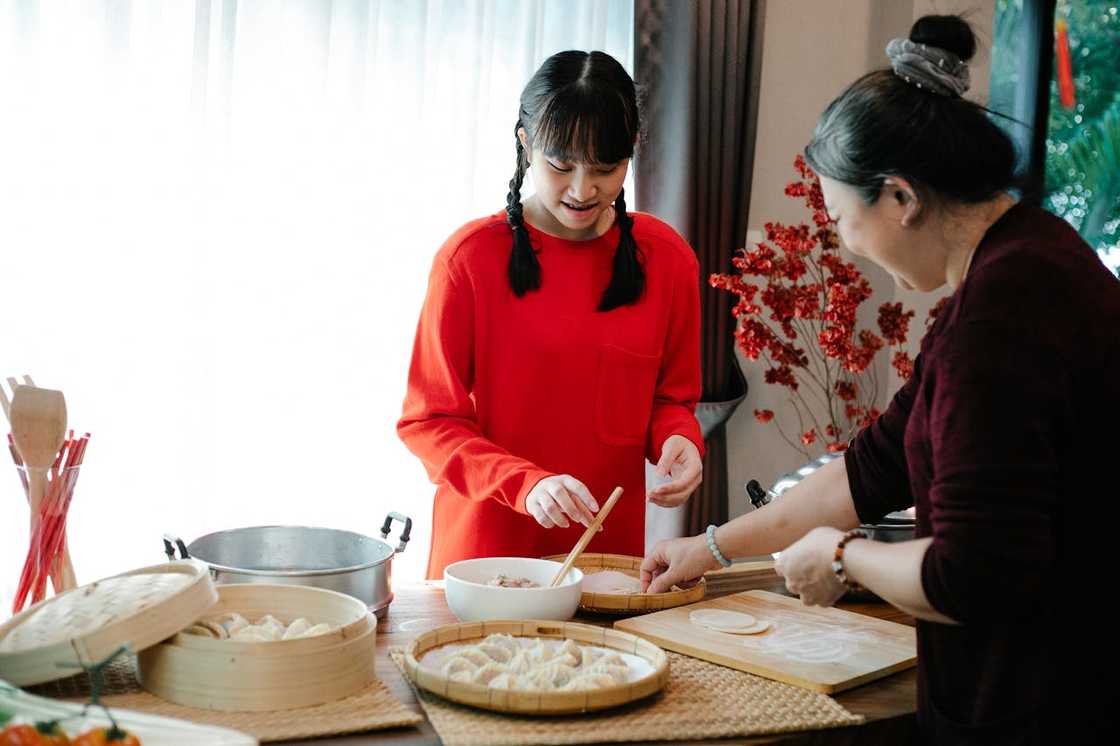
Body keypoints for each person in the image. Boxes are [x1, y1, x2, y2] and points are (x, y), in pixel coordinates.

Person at [640, 15, 1119, 746]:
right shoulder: (1027, 259)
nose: (846, 246)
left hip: (1043, 702)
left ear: (899, 197)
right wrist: (709, 548)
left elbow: (973, 573)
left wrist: (842, 556)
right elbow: (871, 468)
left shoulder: (996, 326)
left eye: (840, 218)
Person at [399, 50, 705, 580]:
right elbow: (429, 422)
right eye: (560, 166)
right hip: (483, 565)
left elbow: (670, 399)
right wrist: (526, 484)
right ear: (525, 144)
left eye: (606, 168)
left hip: (606, 566)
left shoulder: (668, 261)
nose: (583, 190)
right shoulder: (469, 260)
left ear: (630, 154)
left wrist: (680, 439)